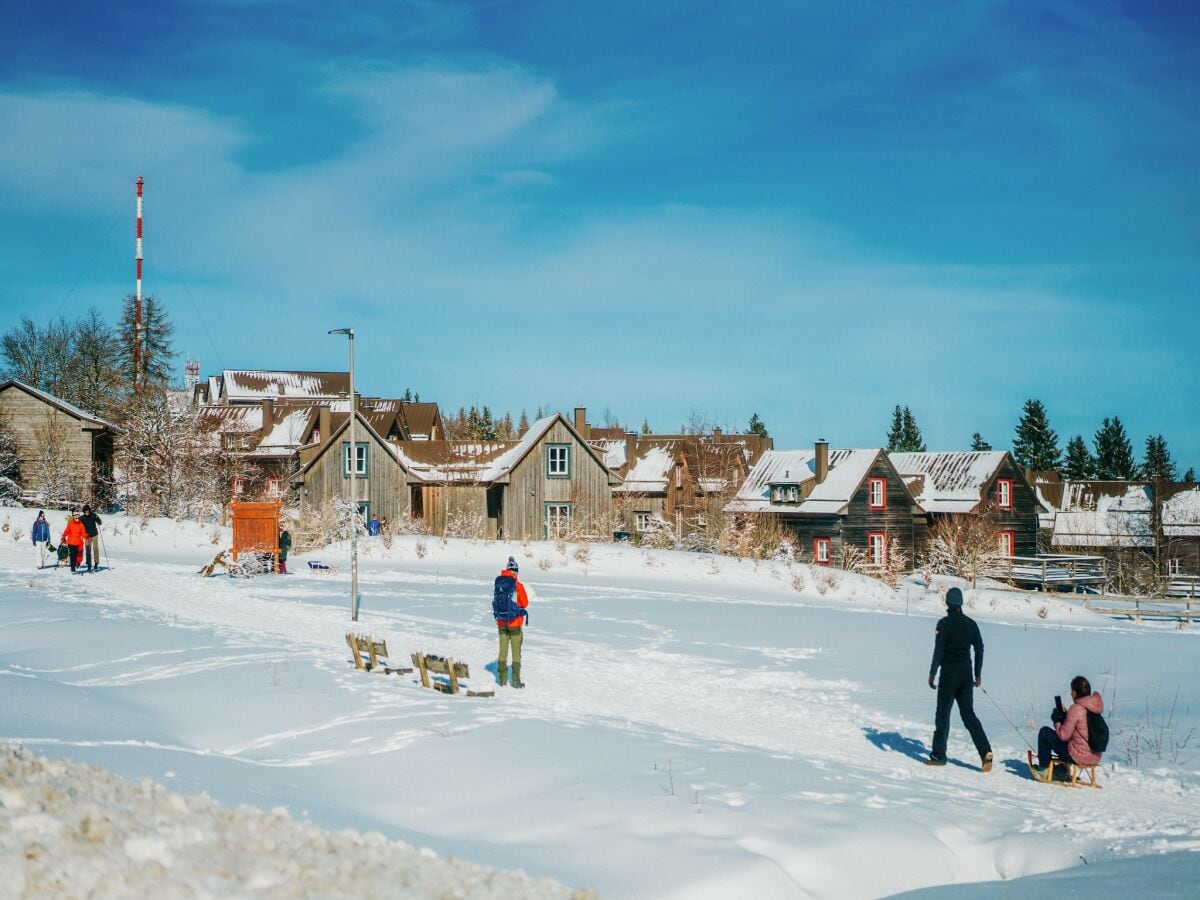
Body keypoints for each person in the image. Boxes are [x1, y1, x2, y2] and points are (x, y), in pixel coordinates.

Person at [926, 587, 993, 771]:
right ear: (961, 604)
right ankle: (985, 751)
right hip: (966, 675)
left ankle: (939, 755)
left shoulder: (944, 624)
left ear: (947, 603)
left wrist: (932, 673)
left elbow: (939, 650)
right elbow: (979, 648)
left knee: (943, 714)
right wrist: (977, 673)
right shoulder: (971, 624)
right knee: (968, 715)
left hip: (949, 675)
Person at [1033, 675, 1104, 776]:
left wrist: (1057, 721)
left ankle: (1044, 768)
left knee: (1044, 732)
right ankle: (1062, 769)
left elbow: (1063, 735)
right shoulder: (1094, 708)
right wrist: (1067, 716)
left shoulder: (1075, 709)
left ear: (1075, 693)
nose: (1071, 693)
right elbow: (1081, 727)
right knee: (1071, 742)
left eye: (1072, 690)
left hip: (1078, 756)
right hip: (1095, 757)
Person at [494, 556, 530, 689]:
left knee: (502, 651)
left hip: (501, 622)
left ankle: (502, 680)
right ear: (516, 571)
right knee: (516, 652)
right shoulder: (517, 585)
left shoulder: (499, 582)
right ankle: (515, 681)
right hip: (515, 623)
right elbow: (525, 603)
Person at [79, 504, 103, 572]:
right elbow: (76, 521)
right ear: (84, 512)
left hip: (94, 534)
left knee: (95, 549)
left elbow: (100, 521)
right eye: (85, 512)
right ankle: (89, 564)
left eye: (88, 511)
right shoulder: (82, 518)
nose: (87, 513)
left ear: (89, 511)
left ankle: (96, 563)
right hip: (87, 536)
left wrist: (99, 521)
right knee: (88, 550)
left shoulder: (93, 515)